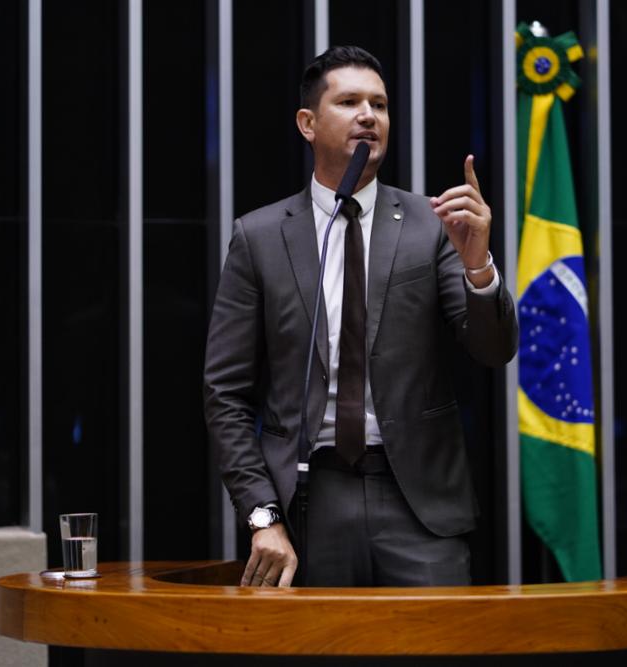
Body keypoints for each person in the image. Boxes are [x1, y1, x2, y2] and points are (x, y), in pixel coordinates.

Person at [203, 46, 518, 588]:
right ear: (307, 123)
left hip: (419, 504)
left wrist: (479, 268)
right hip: (307, 504)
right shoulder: (258, 237)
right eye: (349, 102)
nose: (369, 115)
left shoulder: (431, 222)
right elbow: (226, 395)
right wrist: (262, 516)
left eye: (380, 104)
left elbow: (493, 350)